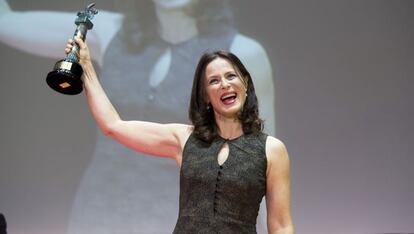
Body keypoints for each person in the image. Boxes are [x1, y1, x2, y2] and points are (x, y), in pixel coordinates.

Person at [0, 0, 276, 232]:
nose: (223, 83)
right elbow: (6, 21)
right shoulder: (109, 31)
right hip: (95, 217)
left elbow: (259, 169)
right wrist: (85, 69)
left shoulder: (243, 53)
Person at [65, 33, 293, 233]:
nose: (224, 84)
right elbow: (113, 125)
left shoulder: (271, 150)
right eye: (214, 81)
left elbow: (281, 226)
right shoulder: (185, 139)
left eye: (231, 76)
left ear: (245, 85)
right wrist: (86, 68)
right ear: (205, 96)